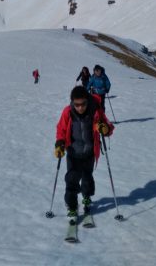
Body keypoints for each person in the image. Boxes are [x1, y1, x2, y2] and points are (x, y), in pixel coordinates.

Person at [54, 86, 114, 220]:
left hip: (89, 153)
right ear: (72, 102)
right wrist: (59, 143)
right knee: (72, 179)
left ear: (87, 101)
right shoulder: (68, 112)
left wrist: (104, 129)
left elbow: (109, 126)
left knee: (87, 177)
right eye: (77, 105)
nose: (80, 108)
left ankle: (86, 198)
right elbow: (61, 129)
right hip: (73, 153)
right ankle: (72, 205)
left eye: (83, 104)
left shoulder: (95, 111)